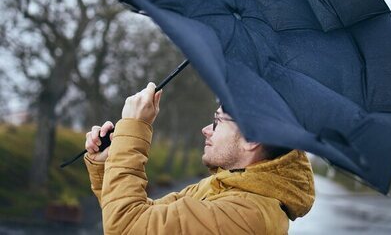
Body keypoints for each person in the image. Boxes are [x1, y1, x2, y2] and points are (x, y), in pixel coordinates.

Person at [84, 82, 315, 234]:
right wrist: (107, 164)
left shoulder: (247, 215)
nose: (207, 129)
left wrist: (135, 127)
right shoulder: (225, 187)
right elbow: (144, 218)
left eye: (218, 121)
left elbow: (127, 226)